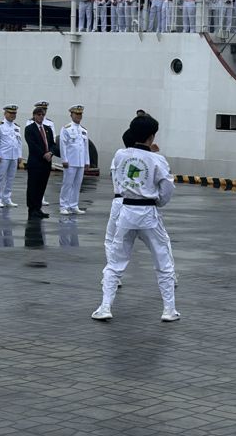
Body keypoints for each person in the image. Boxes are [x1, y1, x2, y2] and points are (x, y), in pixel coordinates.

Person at [91, 115, 179, 322]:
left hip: (126, 211)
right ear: (152, 136)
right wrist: (157, 202)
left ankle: (105, 306)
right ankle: (169, 309)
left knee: (115, 261)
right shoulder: (157, 159)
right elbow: (167, 189)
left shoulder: (120, 155)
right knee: (162, 260)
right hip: (148, 213)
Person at [25, 106, 56, 219]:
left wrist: (51, 153)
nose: (41, 117)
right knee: (33, 186)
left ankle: (38, 208)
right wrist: (44, 154)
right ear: (34, 115)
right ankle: (32, 209)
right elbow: (32, 145)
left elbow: (52, 144)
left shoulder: (48, 128)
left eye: (43, 115)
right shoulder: (29, 128)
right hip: (36, 162)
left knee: (42, 186)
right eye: (39, 114)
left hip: (46, 163)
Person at [59, 105, 90, 215]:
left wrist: (87, 162)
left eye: (80, 114)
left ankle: (73, 205)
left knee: (77, 184)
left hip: (80, 162)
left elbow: (86, 147)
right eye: (76, 114)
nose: (78, 116)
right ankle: (63, 206)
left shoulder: (84, 130)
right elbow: (63, 145)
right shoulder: (66, 128)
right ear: (71, 114)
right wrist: (64, 159)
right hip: (70, 162)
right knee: (67, 184)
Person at [0, 104, 23, 209]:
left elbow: (19, 142)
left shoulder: (16, 127)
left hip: (14, 156)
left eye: (14, 113)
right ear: (5, 113)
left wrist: (19, 155)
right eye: (10, 113)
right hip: (4, 156)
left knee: (10, 178)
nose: (12, 115)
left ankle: (7, 198)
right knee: (0, 177)